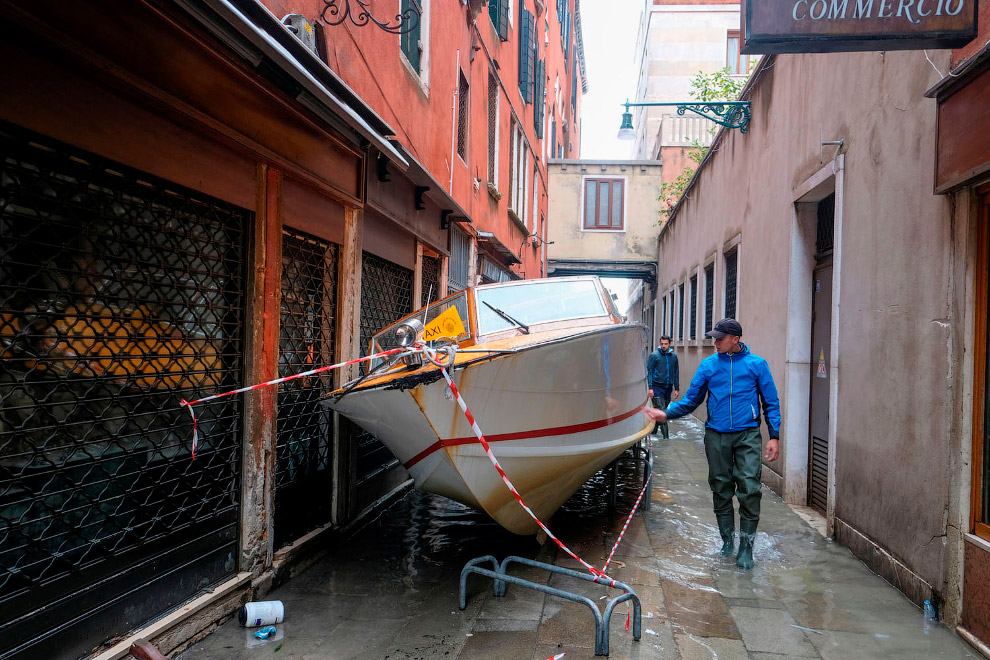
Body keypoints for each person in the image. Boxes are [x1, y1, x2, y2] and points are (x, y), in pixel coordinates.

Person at [643, 319, 780, 569]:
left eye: (720, 338)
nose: (714, 342)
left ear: (735, 339)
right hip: (716, 435)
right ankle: (727, 541)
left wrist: (774, 436)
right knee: (720, 486)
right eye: (714, 338)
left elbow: (771, 402)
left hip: (748, 434)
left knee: (749, 488)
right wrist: (667, 414)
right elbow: (692, 400)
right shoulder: (708, 366)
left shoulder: (757, 365)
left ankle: (746, 548)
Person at [646, 335, 679, 438]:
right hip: (656, 387)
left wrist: (676, 388)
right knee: (662, 412)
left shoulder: (674, 357)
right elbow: (649, 372)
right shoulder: (654, 356)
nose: (664, 346)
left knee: (661, 410)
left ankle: (653, 432)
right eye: (662, 344)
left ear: (669, 344)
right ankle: (666, 439)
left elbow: (676, 372)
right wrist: (650, 388)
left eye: (666, 344)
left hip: (668, 388)